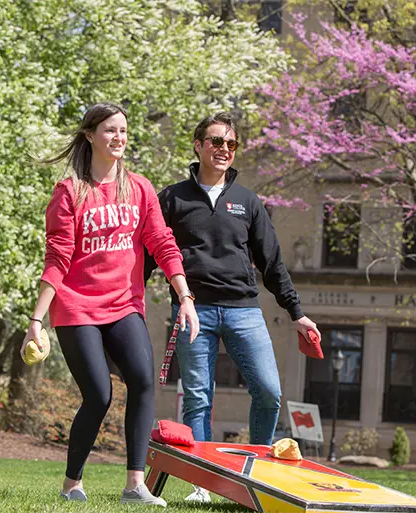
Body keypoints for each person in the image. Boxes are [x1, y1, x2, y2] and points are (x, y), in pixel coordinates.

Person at [21, 102, 199, 507]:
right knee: (98, 395)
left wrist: (185, 295)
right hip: (76, 307)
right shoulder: (70, 192)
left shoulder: (139, 188)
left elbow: (163, 243)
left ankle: (135, 485)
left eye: (123, 130)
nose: (118, 137)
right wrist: (37, 319)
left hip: (123, 304)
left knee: (141, 380)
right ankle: (71, 483)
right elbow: (58, 258)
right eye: (109, 130)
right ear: (90, 136)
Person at [144, 112, 320, 503]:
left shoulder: (247, 201)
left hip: (244, 310)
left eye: (231, 144)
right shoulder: (172, 198)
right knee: (198, 397)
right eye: (216, 141)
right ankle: (201, 486)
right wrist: (127, 301)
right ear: (198, 146)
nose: (224, 149)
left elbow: (271, 261)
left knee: (269, 391)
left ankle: (257, 478)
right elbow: (148, 253)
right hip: (193, 311)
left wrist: (297, 312)